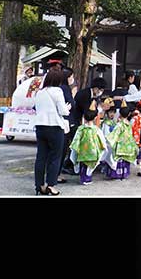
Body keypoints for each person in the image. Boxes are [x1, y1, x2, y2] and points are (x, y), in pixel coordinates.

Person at [30, 68, 70, 196]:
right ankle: (51, 185)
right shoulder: (57, 91)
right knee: (55, 156)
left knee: (41, 157)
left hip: (40, 126)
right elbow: (63, 111)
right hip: (54, 126)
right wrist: (68, 108)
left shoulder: (39, 93)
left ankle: (39, 185)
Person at [69, 106, 105, 184]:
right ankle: (87, 179)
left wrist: (75, 148)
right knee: (90, 166)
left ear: (84, 117)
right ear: (95, 118)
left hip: (82, 151)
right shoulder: (96, 129)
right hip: (93, 152)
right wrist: (103, 147)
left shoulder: (80, 128)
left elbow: (76, 140)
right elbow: (102, 141)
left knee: (83, 165)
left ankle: (83, 179)